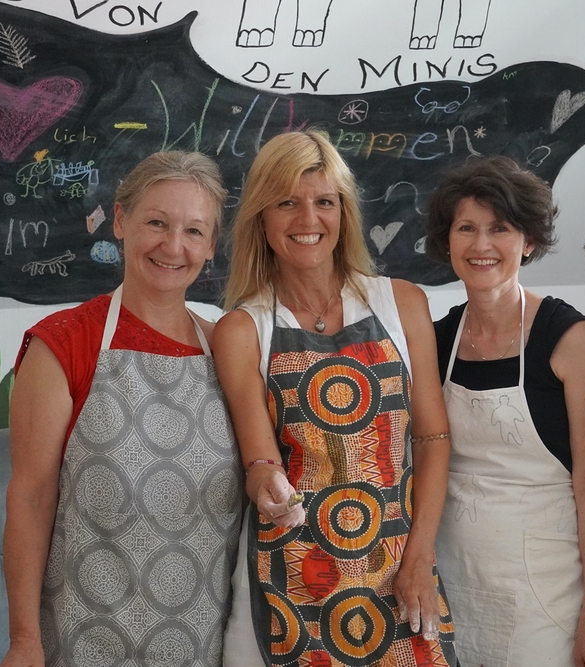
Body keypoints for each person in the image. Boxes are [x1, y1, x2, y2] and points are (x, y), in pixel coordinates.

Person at [215, 130, 457, 667]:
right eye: (287, 203)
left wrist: (420, 554)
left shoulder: (402, 304)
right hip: (292, 579)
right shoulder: (242, 330)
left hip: (400, 569)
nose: (309, 219)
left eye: (324, 202)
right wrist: (268, 485)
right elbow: (260, 461)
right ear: (260, 217)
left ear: (344, 213)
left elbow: (433, 438)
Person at [0, 152, 242, 666]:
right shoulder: (64, 343)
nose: (173, 246)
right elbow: (30, 497)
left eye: (194, 231)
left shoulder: (229, 348)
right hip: (81, 642)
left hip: (205, 646)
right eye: (156, 222)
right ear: (119, 221)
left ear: (211, 246)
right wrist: (23, 640)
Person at [425, 156, 585, 666]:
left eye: (500, 229)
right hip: (451, 576)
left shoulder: (569, 337)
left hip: (543, 589)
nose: (481, 245)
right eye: (466, 228)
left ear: (528, 241)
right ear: (448, 241)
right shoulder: (435, 340)